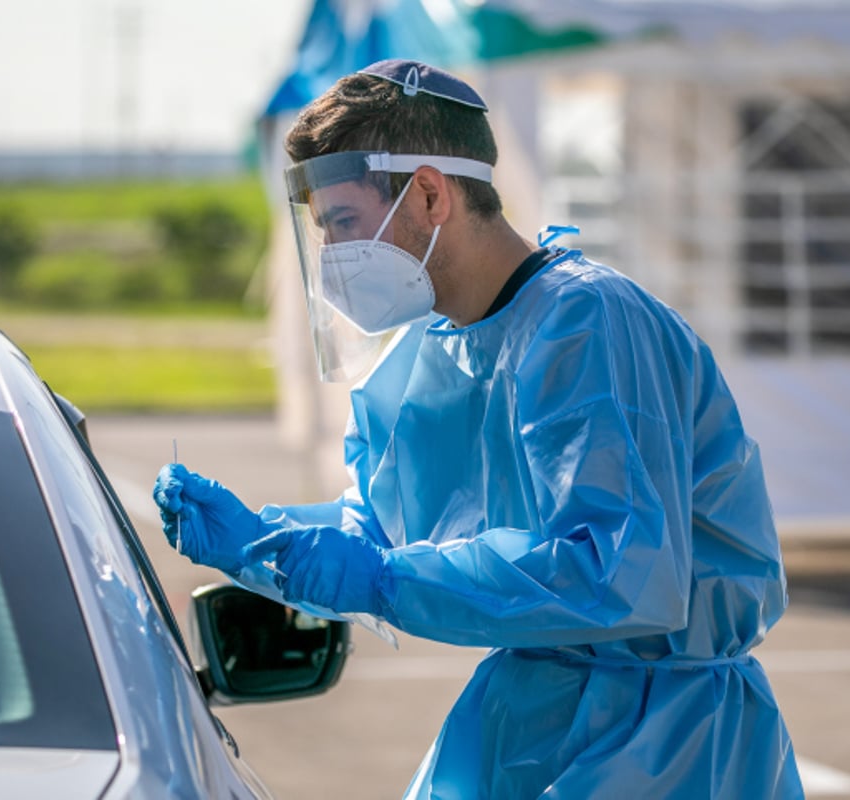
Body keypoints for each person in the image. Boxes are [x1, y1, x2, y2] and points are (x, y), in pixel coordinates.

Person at [154, 59, 803, 799]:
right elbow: (385, 536)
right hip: (526, 710)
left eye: (343, 224)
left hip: (663, 736)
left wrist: (374, 577)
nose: (330, 259)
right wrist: (260, 543)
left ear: (430, 193)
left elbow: (618, 576)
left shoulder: (588, 322)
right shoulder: (425, 354)